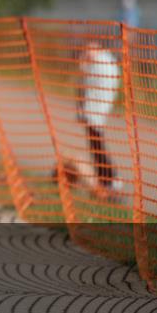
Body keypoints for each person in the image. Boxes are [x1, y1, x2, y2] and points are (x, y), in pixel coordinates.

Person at [57, 42, 122, 197]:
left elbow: (84, 87)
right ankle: (107, 180)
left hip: (95, 109)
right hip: (95, 108)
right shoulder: (102, 63)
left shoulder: (100, 62)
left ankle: (110, 181)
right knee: (95, 143)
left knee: (97, 143)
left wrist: (83, 110)